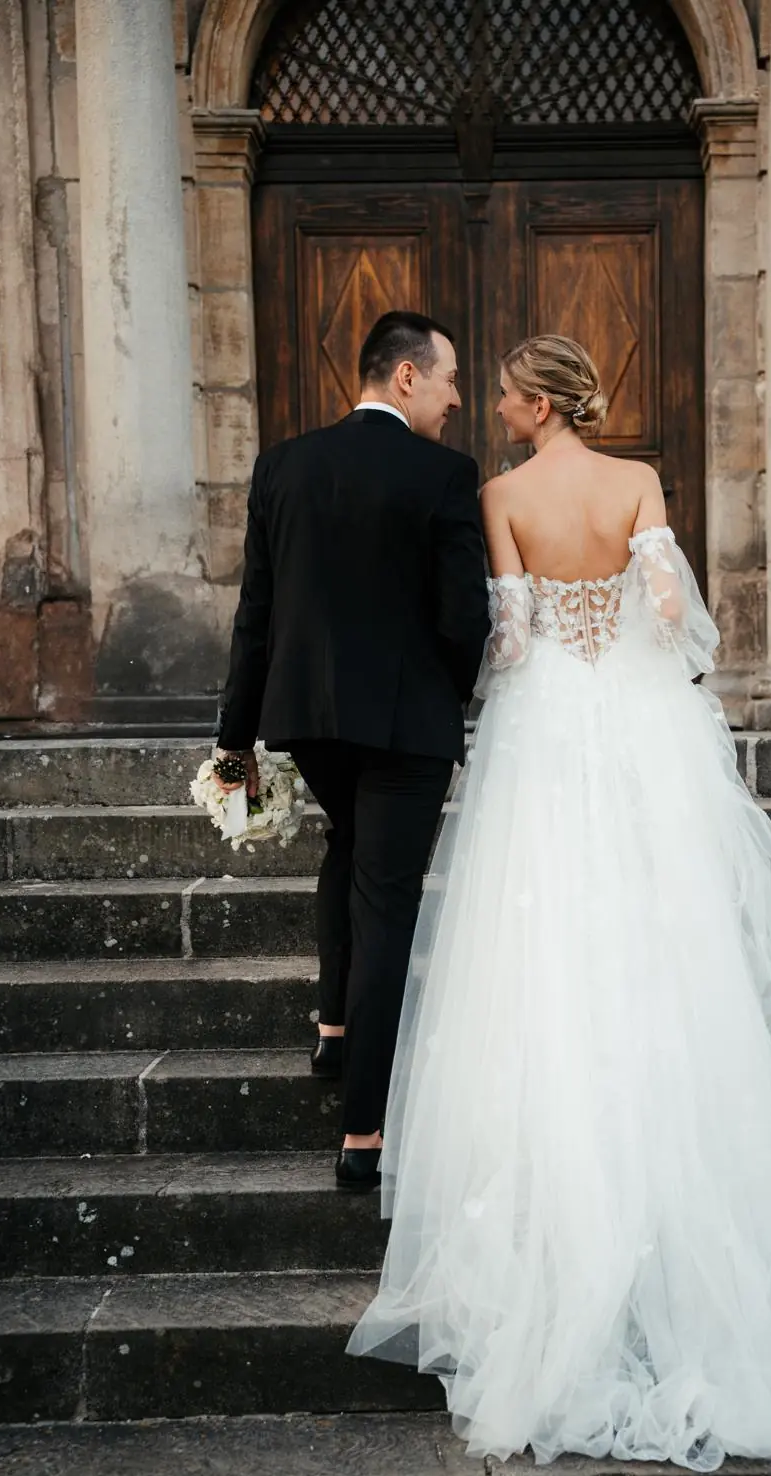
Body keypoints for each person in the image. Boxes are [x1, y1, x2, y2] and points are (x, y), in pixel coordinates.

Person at [347, 334, 771, 1474]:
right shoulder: (637, 480)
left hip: (545, 734)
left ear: (538, 404)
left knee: (541, 944)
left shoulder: (500, 496)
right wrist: (633, 631)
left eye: (503, 393)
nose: (492, 405)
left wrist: (537, 650)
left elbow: (510, 638)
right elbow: (672, 612)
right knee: (659, 928)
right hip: (636, 726)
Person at [214, 311, 489, 1190]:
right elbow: (464, 619)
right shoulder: (445, 474)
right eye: (449, 378)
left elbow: (255, 614)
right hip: (406, 726)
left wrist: (233, 742)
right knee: (388, 903)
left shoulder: (282, 465)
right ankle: (364, 1131)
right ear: (406, 376)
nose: (456, 398)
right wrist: (449, 695)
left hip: (304, 718)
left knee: (350, 846)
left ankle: (334, 1031)